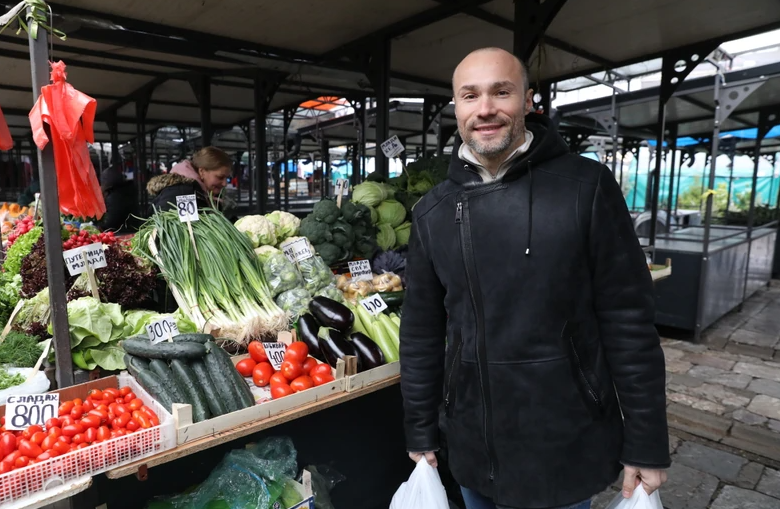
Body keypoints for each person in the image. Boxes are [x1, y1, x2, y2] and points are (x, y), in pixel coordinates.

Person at [399, 47, 670, 509]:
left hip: (563, 440)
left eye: (501, 92)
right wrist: (421, 428)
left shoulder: (586, 187)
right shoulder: (432, 211)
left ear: (528, 100)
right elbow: (421, 331)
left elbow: (628, 320)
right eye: (470, 96)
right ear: (456, 107)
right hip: (473, 439)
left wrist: (646, 440)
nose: (485, 109)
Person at [146, 146, 232, 213]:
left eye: (227, 178)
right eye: (220, 177)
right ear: (202, 171)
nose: (225, 183)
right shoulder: (183, 192)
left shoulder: (207, 193)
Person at [98, 163, 135, 232]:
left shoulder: (114, 197)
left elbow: (112, 221)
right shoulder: (125, 190)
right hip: (130, 229)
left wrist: (101, 226)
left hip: (122, 232)